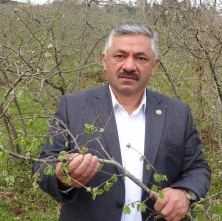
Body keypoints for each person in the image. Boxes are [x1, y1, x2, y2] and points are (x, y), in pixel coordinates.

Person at [33, 21, 211, 221]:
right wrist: (60, 176)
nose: (129, 66)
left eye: (141, 58)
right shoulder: (72, 106)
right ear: (104, 60)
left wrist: (185, 193)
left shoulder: (178, 112)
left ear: (154, 65)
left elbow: (198, 167)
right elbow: (42, 166)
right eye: (120, 56)